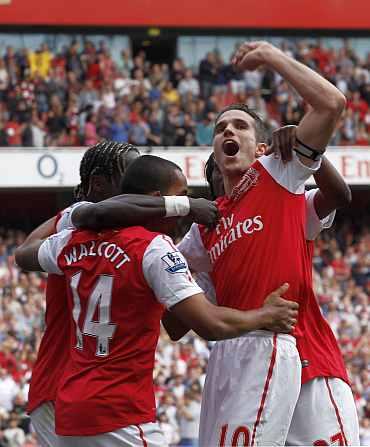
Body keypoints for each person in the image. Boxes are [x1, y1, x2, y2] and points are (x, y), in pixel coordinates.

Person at [15, 155, 299, 447]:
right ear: (158, 201)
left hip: (71, 415)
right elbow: (210, 324)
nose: (187, 210)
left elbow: (23, 253)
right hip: (120, 415)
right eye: (181, 198)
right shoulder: (154, 248)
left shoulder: (72, 241)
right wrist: (265, 316)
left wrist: (69, 216)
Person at [173, 41, 359, 446]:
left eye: (239, 126)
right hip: (244, 370)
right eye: (221, 128)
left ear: (262, 148)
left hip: (308, 361)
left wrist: (271, 56)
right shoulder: (207, 225)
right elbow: (172, 313)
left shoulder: (277, 176)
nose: (228, 131)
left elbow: (330, 105)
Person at [21, 140, 219, 447]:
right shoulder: (78, 229)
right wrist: (185, 205)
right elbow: (24, 253)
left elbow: (173, 324)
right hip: (65, 387)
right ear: (99, 186)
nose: (136, 188)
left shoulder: (113, 238)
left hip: (79, 394)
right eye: (129, 179)